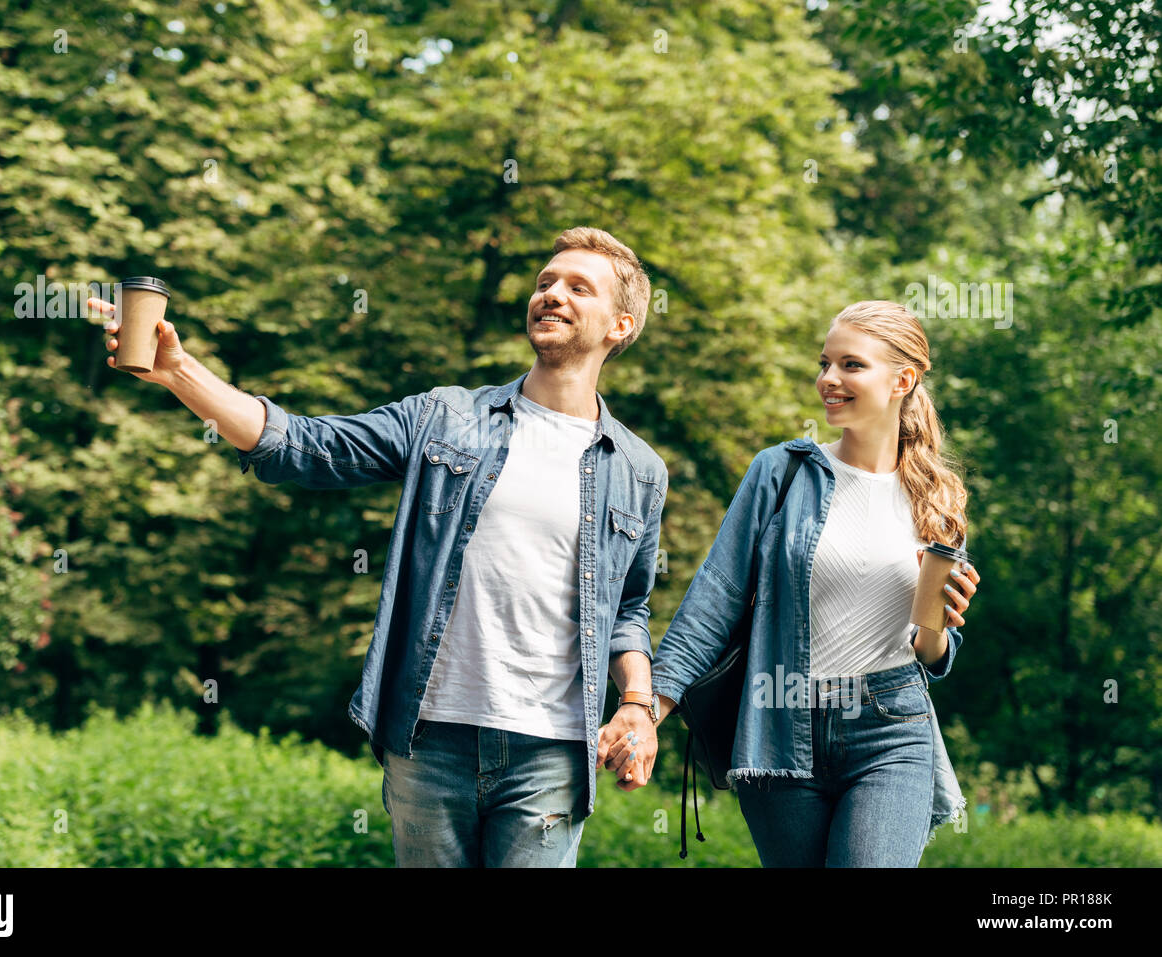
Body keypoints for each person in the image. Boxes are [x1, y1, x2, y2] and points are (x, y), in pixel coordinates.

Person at [91, 226, 667, 867]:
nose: (551, 294)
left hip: (551, 752)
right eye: (544, 282)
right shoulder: (447, 418)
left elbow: (627, 611)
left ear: (620, 325)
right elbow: (305, 446)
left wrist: (637, 705)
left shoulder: (638, 471)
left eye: (576, 287)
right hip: (430, 737)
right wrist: (178, 372)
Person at [650, 299, 980, 867]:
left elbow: (930, 652)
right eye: (825, 364)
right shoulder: (781, 471)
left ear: (903, 380)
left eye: (851, 365)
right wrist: (646, 708)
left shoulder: (939, 498)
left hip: (891, 727)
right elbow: (717, 597)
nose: (829, 379)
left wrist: (942, 622)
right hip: (778, 723)